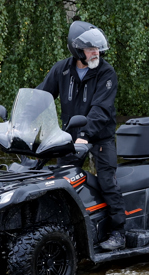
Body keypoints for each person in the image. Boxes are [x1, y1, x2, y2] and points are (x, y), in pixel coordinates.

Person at [38, 20, 127, 251]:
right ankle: (65, 231)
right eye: (90, 49)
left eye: (97, 48)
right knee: (60, 183)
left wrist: (85, 136)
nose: (96, 52)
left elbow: (100, 110)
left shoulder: (106, 73)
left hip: (99, 137)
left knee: (107, 181)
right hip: (70, 138)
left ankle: (118, 232)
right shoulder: (62, 70)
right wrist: (20, 121)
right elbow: (41, 97)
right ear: (77, 50)